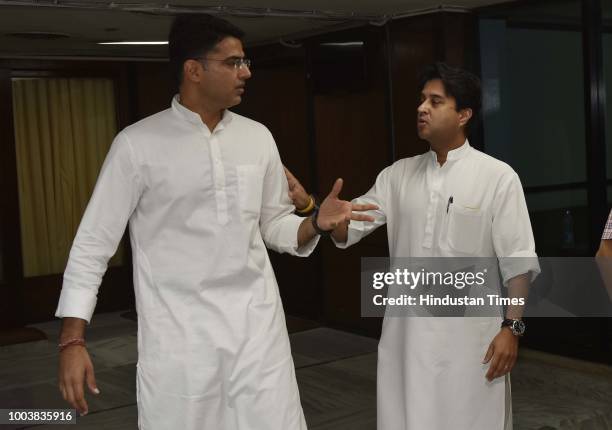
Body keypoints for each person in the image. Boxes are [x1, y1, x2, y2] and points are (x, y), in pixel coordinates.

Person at [55, 14, 376, 430]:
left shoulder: (257, 136)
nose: (247, 72)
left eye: (245, 62)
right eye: (233, 62)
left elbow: (273, 225)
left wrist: (315, 222)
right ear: (194, 70)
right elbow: (93, 245)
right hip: (181, 338)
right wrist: (72, 339)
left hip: (257, 330)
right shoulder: (137, 145)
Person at [286, 62, 540, 430]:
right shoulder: (397, 175)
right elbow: (347, 230)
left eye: (436, 101)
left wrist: (511, 329)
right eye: (422, 100)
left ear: (464, 114)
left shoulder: (497, 177)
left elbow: (518, 262)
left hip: (472, 343)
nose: (422, 108)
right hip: (406, 341)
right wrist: (312, 208)